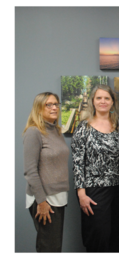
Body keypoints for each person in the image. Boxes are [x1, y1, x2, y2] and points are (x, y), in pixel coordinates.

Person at [71, 84, 119, 252]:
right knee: (98, 237)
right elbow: (77, 163)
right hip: (94, 192)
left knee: (118, 236)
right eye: (99, 98)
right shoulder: (83, 127)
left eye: (106, 98)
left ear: (112, 102)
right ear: (93, 101)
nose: (103, 101)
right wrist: (81, 194)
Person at [23, 92, 69, 252]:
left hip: (58, 196)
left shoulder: (56, 131)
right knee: (49, 249)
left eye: (56, 104)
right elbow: (30, 171)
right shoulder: (34, 132)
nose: (54, 107)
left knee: (54, 247)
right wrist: (41, 202)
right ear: (38, 108)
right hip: (44, 199)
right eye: (48, 104)